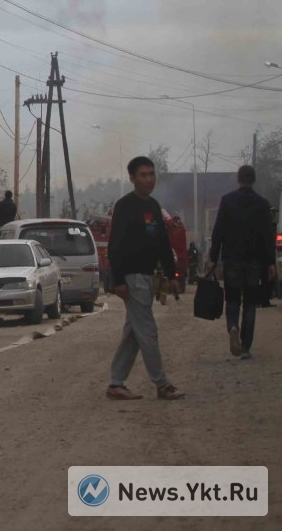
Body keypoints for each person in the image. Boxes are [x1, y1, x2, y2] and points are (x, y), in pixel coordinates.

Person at [105, 156, 184, 401]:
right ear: (132, 178)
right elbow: (114, 246)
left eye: (151, 174)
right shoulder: (124, 206)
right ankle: (162, 384)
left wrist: (172, 276)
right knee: (147, 331)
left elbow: (162, 243)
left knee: (134, 333)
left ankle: (116, 384)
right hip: (132, 278)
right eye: (143, 175)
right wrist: (118, 281)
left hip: (149, 278)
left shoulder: (153, 206)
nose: (148, 179)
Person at [206, 165, 277, 360]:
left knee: (233, 300)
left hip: (232, 260)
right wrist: (271, 263)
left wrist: (213, 257)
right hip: (255, 262)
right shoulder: (262, 205)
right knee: (250, 304)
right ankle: (245, 347)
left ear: (238, 179)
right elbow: (267, 236)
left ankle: (233, 327)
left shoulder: (227, 201)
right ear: (253, 180)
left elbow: (218, 231)